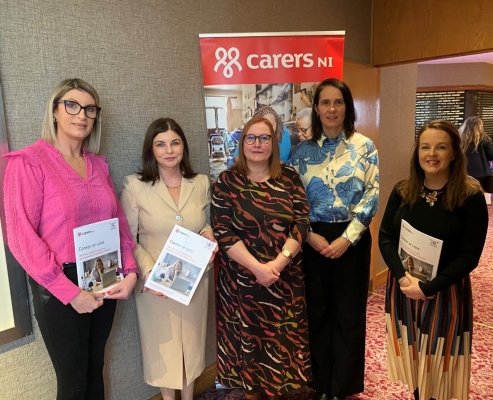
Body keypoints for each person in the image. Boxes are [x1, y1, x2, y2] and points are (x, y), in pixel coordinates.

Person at [3, 78, 138, 400]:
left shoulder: (97, 164)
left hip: (104, 272)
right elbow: (20, 237)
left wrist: (130, 270)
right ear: (54, 111)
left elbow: (116, 221)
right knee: (73, 381)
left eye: (89, 109)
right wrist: (69, 292)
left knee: (95, 368)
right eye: (72, 105)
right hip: (60, 283)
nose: (82, 115)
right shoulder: (29, 163)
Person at [379, 120, 488, 400]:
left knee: (439, 365)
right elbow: (385, 237)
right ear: (417, 152)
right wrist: (404, 279)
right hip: (404, 289)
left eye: (441, 147)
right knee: (414, 358)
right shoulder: (403, 191)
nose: (432, 154)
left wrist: (429, 288)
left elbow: (470, 256)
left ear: (454, 153)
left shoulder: (470, 196)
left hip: (445, 293)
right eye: (425, 147)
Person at [288, 78, 379, 400]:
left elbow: (372, 195)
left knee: (350, 313)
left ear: (347, 107)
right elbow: (293, 199)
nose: (331, 109)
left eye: (337, 102)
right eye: (325, 103)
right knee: (317, 312)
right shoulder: (301, 152)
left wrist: (347, 238)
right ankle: (320, 383)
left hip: (351, 240)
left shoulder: (364, 146)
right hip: (311, 240)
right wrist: (309, 236)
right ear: (316, 109)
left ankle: (344, 386)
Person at [211, 116, 311, 400]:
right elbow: (223, 230)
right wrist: (257, 269)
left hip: (284, 278)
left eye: (264, 138)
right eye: (251, 138)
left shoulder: (290, 178)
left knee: (282, 345)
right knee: (250, 348)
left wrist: (277, 264)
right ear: (242, 144)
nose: (257, 144)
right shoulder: (227, 181)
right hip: (242, 283)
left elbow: (301, 223)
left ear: (274, 143)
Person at [120, 117, 216, 400]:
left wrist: (209, 234)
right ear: (151, 149)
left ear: (183, 146)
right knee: (165, 350)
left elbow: (207, 222)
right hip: (155, 284)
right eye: (160, 144)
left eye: (175, 142)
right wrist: (149, 271)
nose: (169, 150)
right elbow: (129, 238)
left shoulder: (199, 182)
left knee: (192, 346)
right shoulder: (135, 186)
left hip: (193, 278)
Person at [459, 115, 493, 192]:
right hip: (483, 173)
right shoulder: (484, 139)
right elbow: (492, 156)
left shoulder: (459, 139)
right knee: (485, 197)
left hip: (464, 173)